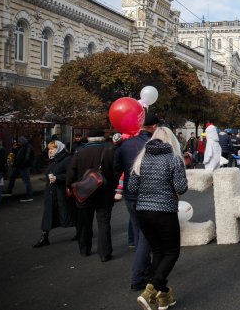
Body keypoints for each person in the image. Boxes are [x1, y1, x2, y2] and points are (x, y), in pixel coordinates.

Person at [129, 127, 188, 310]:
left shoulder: (141, 158)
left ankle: (164, 296)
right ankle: (151, 290)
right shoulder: (174, 159)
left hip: (143, 212)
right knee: (172, 252)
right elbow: (181, 187)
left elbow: (132, 188)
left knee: (158, 252)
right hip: (164, 211)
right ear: (172, 140)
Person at [114, 112, 159, 292]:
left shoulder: (125, 145)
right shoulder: (154, 145)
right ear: (154, 127)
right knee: (146, 235)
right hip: (147, 195)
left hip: (129, 195)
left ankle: (146, 269)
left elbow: (116, 168)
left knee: (140, 230)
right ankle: (138, 276)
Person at [66, 129, 117, 261]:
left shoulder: (79, 152)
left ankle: (84, 249)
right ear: (102, 138)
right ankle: (104, 253)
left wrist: (69, 186)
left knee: (84, 223)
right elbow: (116, 171)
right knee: (104, 223)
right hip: (105, 193)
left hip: (84, 192)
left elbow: (71, 172)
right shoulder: (110, 151)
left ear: (88, 138)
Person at [33, 140, 75, 247]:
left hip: (62, 194)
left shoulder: (67, 159)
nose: (50, 151)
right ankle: (44, 237)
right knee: (48, 215)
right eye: (49, 149)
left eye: (53, 148)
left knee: (69, 213)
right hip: (51, 193)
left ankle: (80, 231)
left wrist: (58, 178)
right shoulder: (53, 160)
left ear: (59, 148)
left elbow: (72, 175)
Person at [5, 135, 35, 202]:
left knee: (26, 181)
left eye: (19, 142)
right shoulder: (22, 147)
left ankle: (30, 195)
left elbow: (27, 158)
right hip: (19, 166)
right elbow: (16, 155)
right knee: (12, 177)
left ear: (22, 141)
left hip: (23, 166)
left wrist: (22, 164)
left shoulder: (28, 147)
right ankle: (8, 191)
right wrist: (14, 148)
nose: (19, 143)